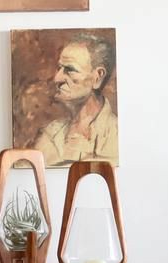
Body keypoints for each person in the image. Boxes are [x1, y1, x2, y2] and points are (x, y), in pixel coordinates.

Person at [34, 33, 118, 166]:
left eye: (70, 70)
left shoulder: (116, 133)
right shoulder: (51, 133)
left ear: (98, 77)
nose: (57, 79)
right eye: (59, 68)